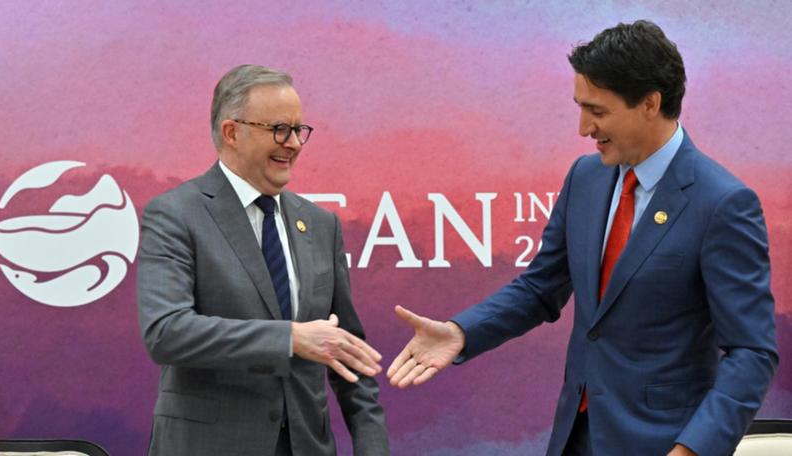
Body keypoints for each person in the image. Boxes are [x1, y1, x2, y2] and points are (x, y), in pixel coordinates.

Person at [387, 20, 777, 456]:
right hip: (576, 438)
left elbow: (751, 352)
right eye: (580, 106)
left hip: (665, 444)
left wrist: (692, 450)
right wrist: (462, 332)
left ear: (650, 103)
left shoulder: (723, 203)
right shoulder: (586, 177)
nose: (583, 128)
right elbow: (540, 288)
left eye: (598, 111)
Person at [137, 64, 389, 455]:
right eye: (278, 130)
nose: (293, 143)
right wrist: (290, 338)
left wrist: (372, 448)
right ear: (231, 132)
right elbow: (167, 332)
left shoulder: (321, 225)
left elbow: (349, 354)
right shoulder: (175, 214)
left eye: (299, 130)